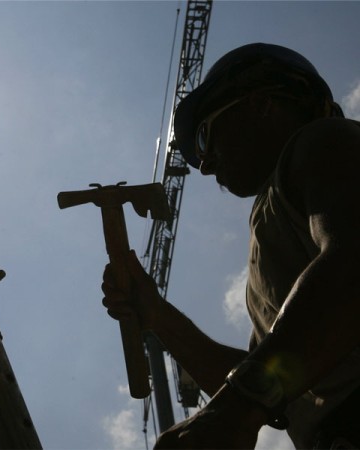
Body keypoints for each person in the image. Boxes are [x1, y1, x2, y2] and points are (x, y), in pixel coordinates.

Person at [101, 43, 360, 449]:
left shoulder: (324, 142)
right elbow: (268, 374)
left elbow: (353, 265)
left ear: (260, 103)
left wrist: (235, 409)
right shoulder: (274, 221)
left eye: (205, 136)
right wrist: (158, 316)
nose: (204, 165)